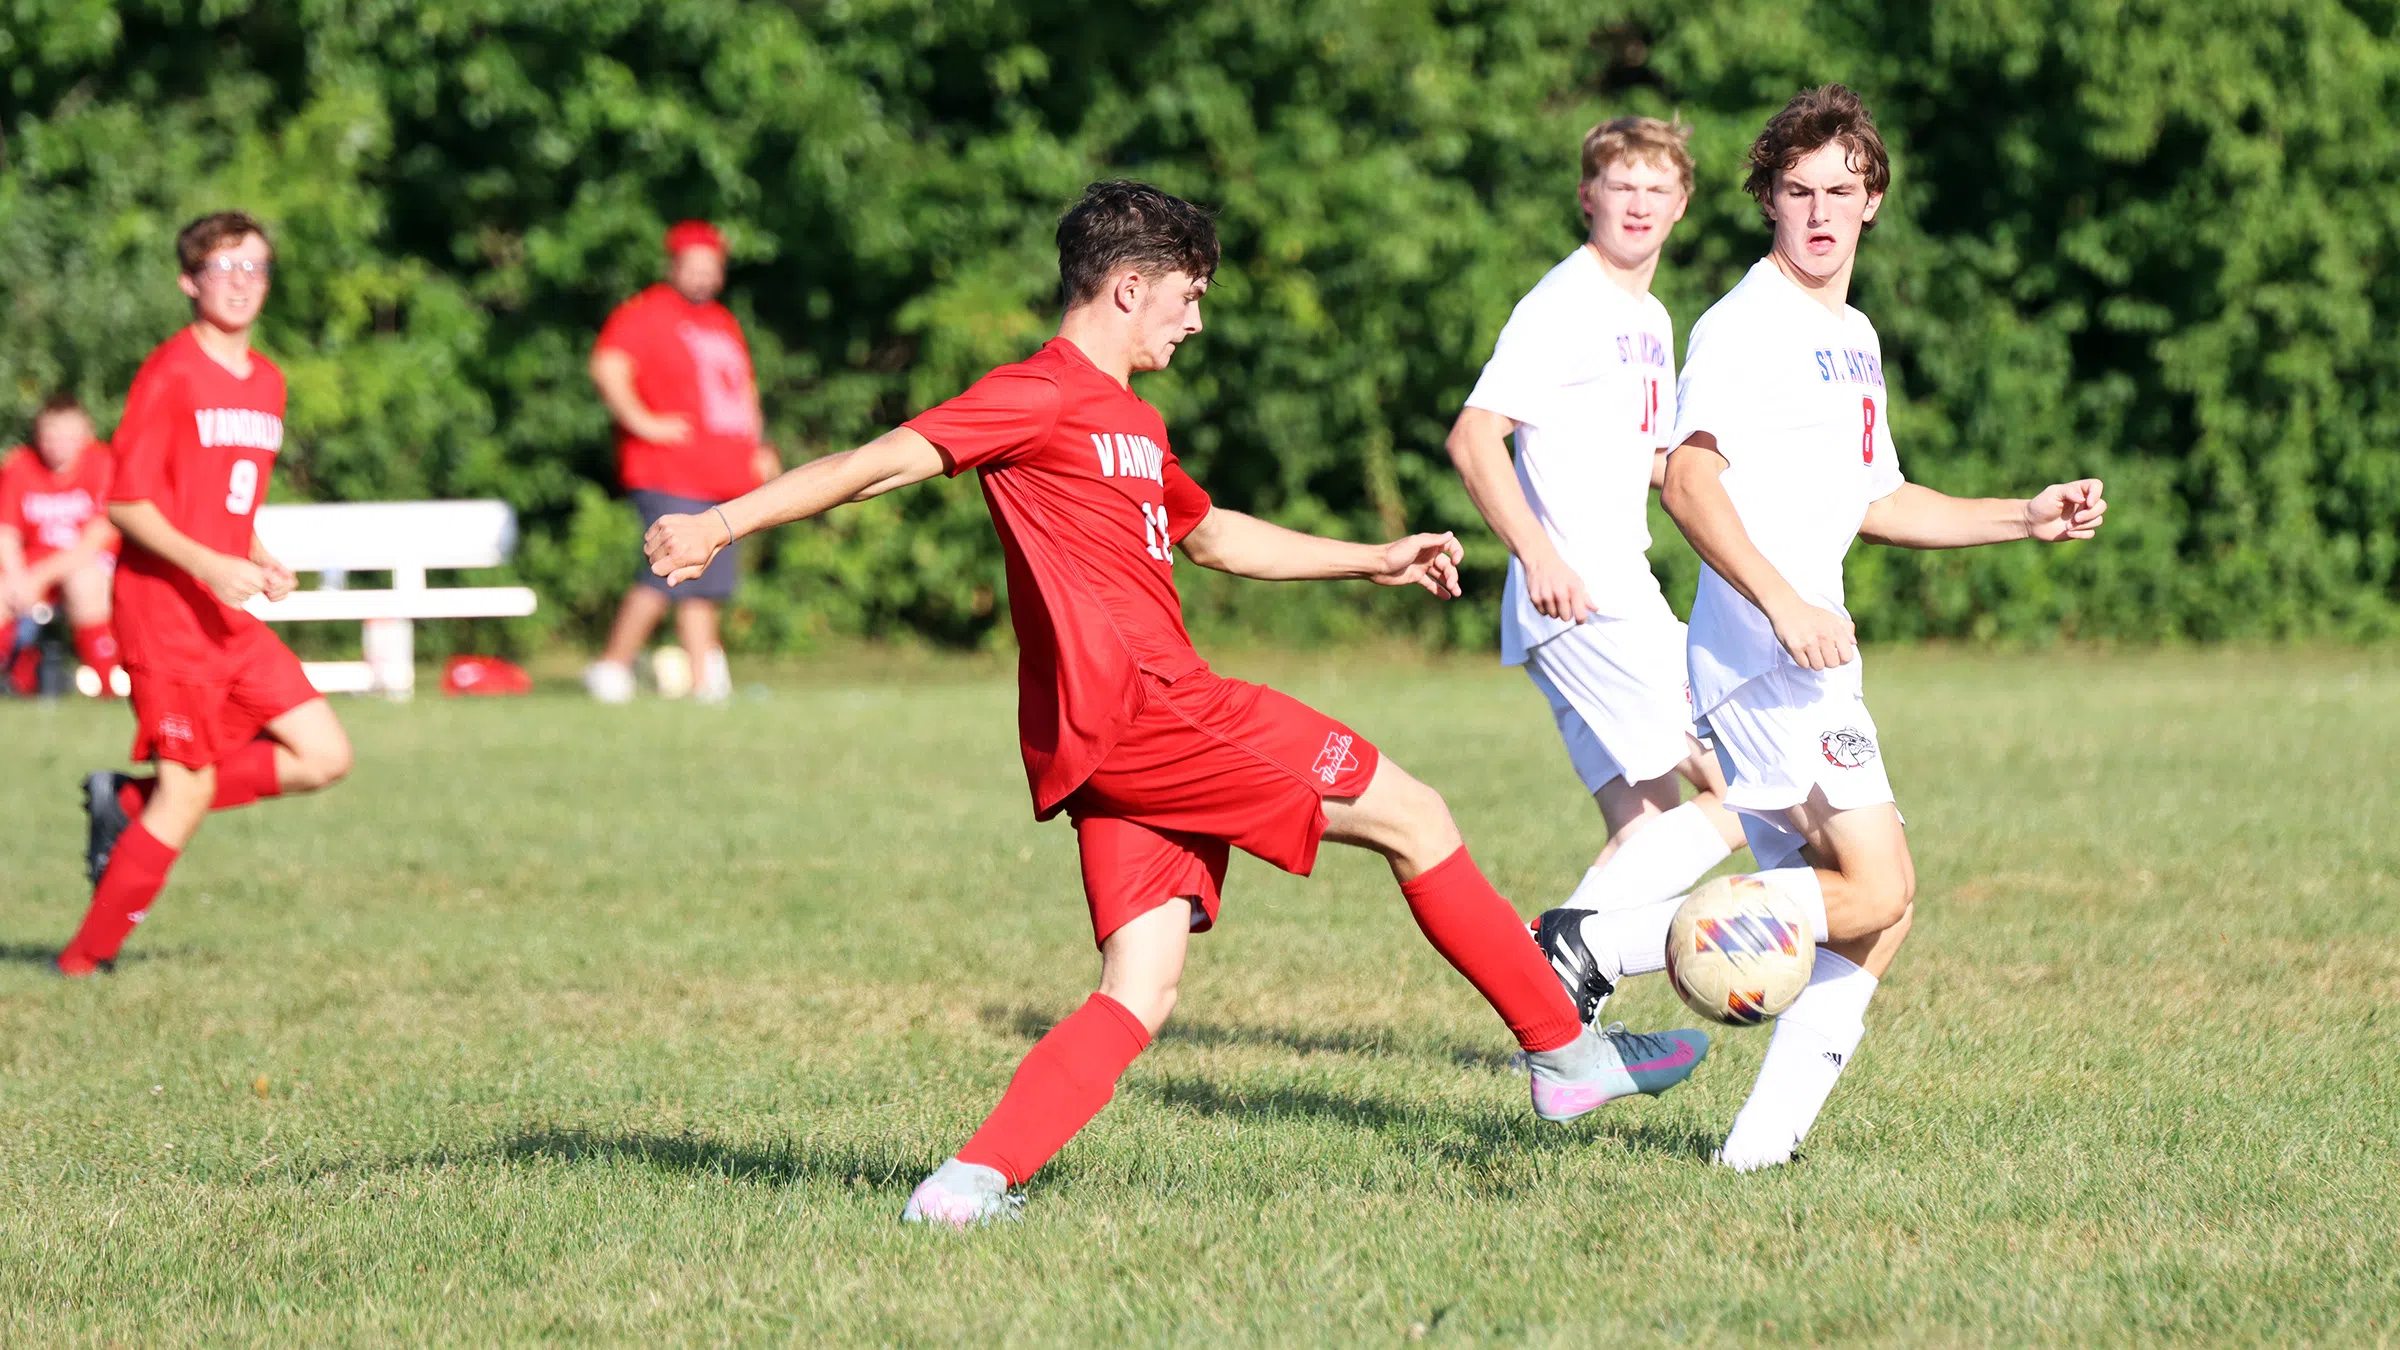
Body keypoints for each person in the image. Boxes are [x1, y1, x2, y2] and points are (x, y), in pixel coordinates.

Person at [645, 181, 1712, 1227]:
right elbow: (879, 464)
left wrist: (1373, 558)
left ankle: (964, 1186)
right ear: (1126, 288)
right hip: (1156, 710)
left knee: (1141, 987)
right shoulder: (1038, 392)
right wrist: (717, 525)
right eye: (1186, 295)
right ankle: (1564, 1054)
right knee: (1416, 815)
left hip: (1113, 747)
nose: (1196, 318)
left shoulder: (1133, 424)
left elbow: (1212, 537)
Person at [1540, 85, 2106, 1170]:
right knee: (1882, 885)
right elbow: (1690, 481)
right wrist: (1783, 602)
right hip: (1767, 655)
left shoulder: (1849, 334)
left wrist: (2021, 517)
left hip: (1802, 653)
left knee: (1874, 918)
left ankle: (1755, 1156)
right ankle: (1589, 941)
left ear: (1873, 200)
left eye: (1840, 191)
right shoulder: (1746, 325)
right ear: (1765, 200)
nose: (1819, 212)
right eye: (1796, 191)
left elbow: (1879, 500)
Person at [1444, 116, 1749, 1024]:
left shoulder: (1651, 317)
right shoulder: (1564, 303)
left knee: (1647, 824)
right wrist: (1539, 556)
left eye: (1658, 190)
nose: (1640, 205)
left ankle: (1552, 1013)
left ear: (1682, 204)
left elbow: (1648, 459)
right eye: (1623, 187)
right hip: (1584, 595)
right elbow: (1474, 437)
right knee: (1745, 785)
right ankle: (1560, 951)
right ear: (1590, 196)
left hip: (1607, 591)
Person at [56, 211, 355, 977]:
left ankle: (125, 804)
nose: (240, 283)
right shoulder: (171, 373)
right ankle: (83, 964)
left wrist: (258, 556)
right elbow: (125, 502)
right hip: (162, 610)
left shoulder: (269, 382)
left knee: (324, 754)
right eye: (222, 269)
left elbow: (225, 503)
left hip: (221, 607)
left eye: (253, 267)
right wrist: (208, 565)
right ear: (190, 281)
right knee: (185, 795)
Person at [584, 220, 780, 705]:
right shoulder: (646, 313)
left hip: (722, 471)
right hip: (669, 469)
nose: (704, 277)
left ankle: (703, 679)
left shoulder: (722, 320)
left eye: (712, 268)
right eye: (694, 267)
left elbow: (743, 393)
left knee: (705, 578)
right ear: (672, 266)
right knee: (665, 568)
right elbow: (607, 367)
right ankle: (612, 667)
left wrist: (759, 445)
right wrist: (643, 422)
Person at [0, 394, 124, 697]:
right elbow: (7, 533)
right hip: (34, 569)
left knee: (83, 581)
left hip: (90, 568)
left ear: (85, 433)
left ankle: (108, 683)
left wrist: (34, 579)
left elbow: (95, 540)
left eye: (67, 436)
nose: (57, 445)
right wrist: (17, 581)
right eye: (50, 436)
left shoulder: (103, 463)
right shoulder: (20, 465)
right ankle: (14, 674)